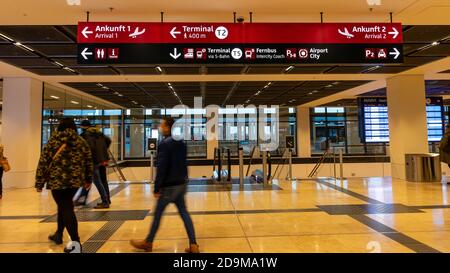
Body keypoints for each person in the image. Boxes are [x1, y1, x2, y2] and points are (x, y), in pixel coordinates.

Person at [130, 117, 199, 253]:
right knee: (184, 213)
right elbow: (184, 163)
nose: (161, 128)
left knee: (158, 214)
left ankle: (148, 243)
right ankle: (193, 244)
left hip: (169, 187)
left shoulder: (164, 144)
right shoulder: (181, 143)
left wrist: (157, 187)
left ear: (168, 127)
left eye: (162, 125)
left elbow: (161, 167)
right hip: (181, 184)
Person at [35, 118, 93, 252]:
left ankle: (76, 244)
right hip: (75, 181)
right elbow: (88, 160)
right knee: (64, 205)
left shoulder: (53, 141)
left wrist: (39, 182)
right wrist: (88, 179)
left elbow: (43, 161)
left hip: (57, 181)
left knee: (66, 208)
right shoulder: (80, 141)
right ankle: (58, 234)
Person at [74, 120, 112, 209]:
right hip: (102, 160)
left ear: (83, 127)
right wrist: (103, 152)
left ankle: (105, 201)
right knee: (101, 180)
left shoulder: (85, 135)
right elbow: (108, 140)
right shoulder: (99, 133)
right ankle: (83, 199)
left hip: (93, 161)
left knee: (96, 181)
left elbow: (90, 148)